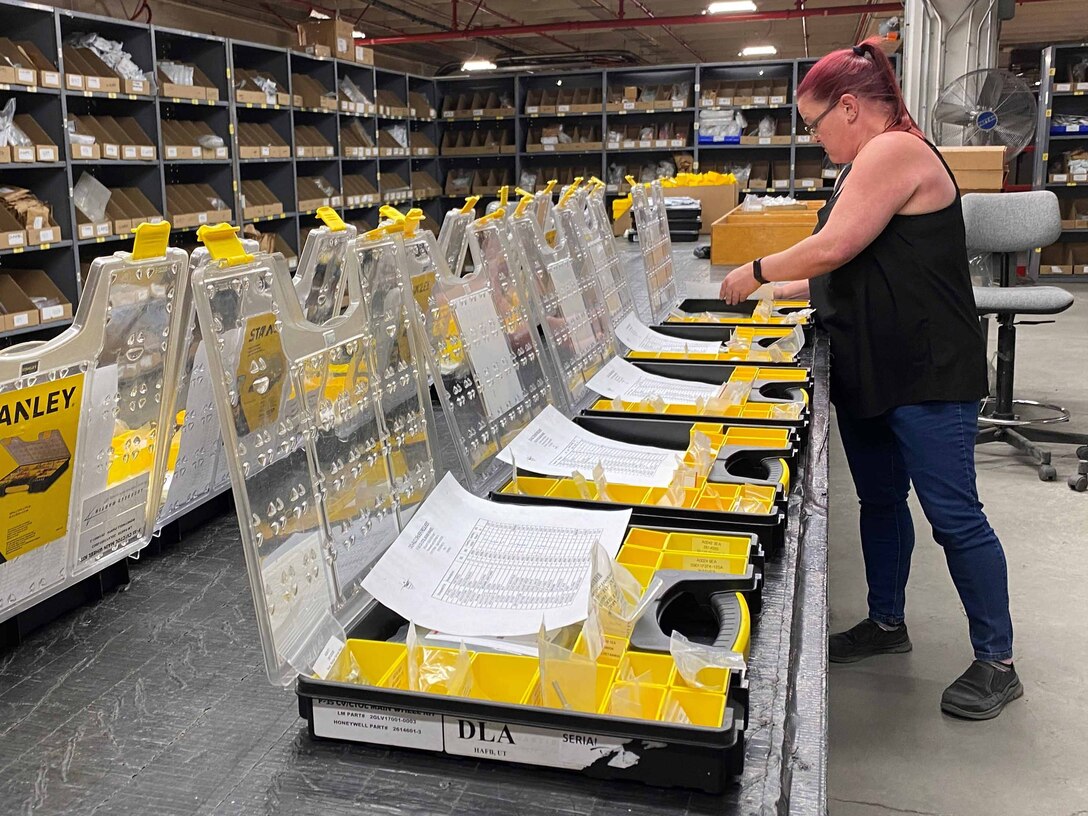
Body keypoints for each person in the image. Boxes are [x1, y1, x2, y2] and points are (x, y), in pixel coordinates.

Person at [719, 38, 1021, 720]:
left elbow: (836, 245)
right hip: (875, 362)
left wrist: (758, 271)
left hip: (926, 368)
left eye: (816, 123)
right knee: (882, 502)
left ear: (850, 106)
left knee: (953, 515)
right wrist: (790, 289)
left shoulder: (895, 151)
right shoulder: (863, 163)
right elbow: (854, 265)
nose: (815, 137)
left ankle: (998, 663)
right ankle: (887, 624)